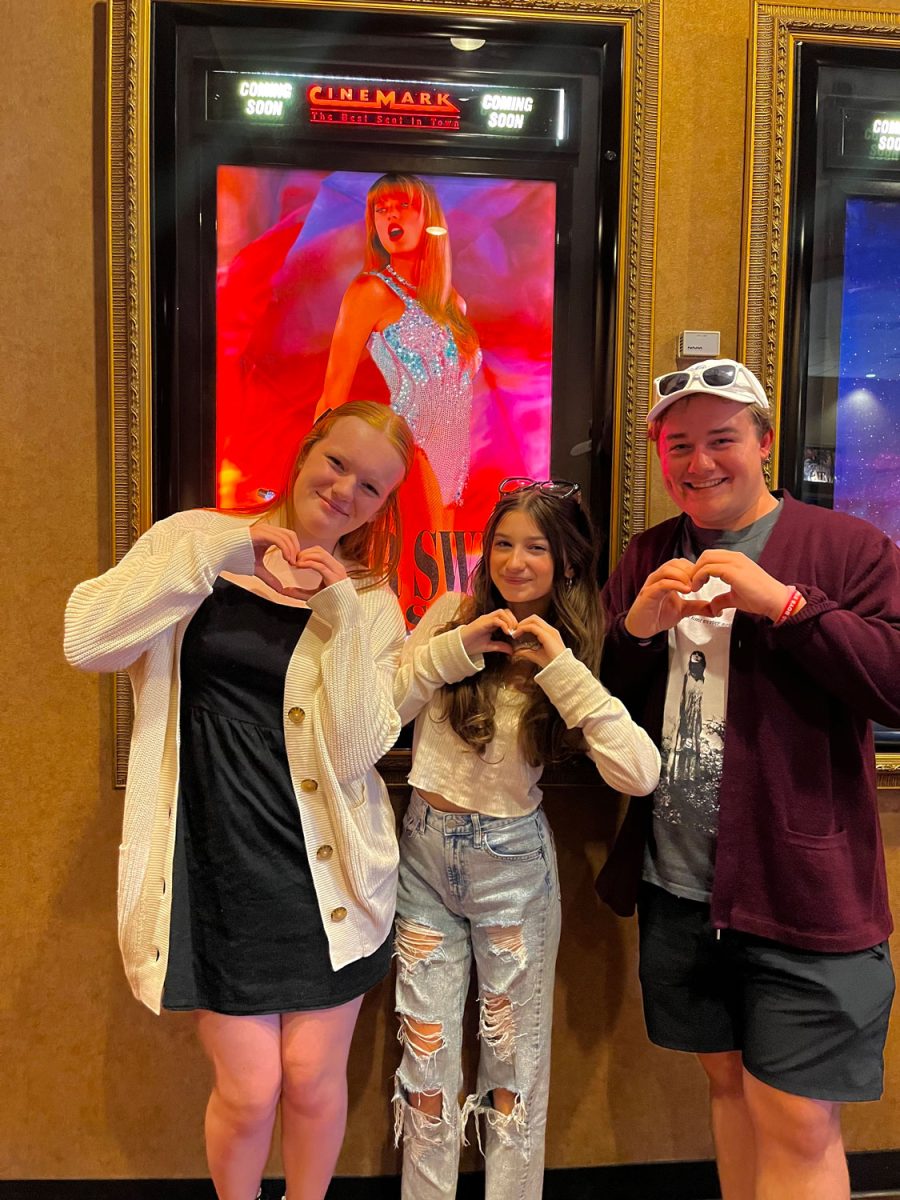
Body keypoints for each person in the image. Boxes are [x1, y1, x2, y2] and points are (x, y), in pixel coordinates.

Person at [64, 402, 414, 1200]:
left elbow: (363, 749)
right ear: (304, 452)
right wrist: (232, 544)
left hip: (323, 879)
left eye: (372, 487)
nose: (345, 491)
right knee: (251, 1088)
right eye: (336, 463)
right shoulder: (197, 539)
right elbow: (86, 641)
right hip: (214, 868)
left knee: (313, 1081)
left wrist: (347, 617)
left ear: (382, 507)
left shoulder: (373, 603)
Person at [596, 359, 900, 1200]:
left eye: (721, 440)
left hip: (804, 892)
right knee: (727, 1092)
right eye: (679, 445)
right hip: (682, 889)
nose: (700, 464)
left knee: (799, 1123)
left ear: (764, 442)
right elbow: (604, 714)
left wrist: (789, 607)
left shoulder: (848, 549)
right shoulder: (651, 554)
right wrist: (634, 631)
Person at [390, 479, 661, 1199]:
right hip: (421, 857)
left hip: (511, 867)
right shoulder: (452, 613)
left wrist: (560, 667)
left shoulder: (577, 646)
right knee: (426, 1063)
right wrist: (459, 646)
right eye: (503, 543)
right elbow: (380, 713)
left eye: (535, 548)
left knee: (513, 1066)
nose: (515, 561)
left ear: (565, 562)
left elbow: (638, 772)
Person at [316, 172, 481, 511]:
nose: (391, 215)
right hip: (405, 453)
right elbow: (333, 393)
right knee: (408, 553)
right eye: (381, 209)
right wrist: (316, 474)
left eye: (404, 205)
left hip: (457, 461)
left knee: (441, 556)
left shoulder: (454, 302)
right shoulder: (370, 292)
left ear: (428, 218)